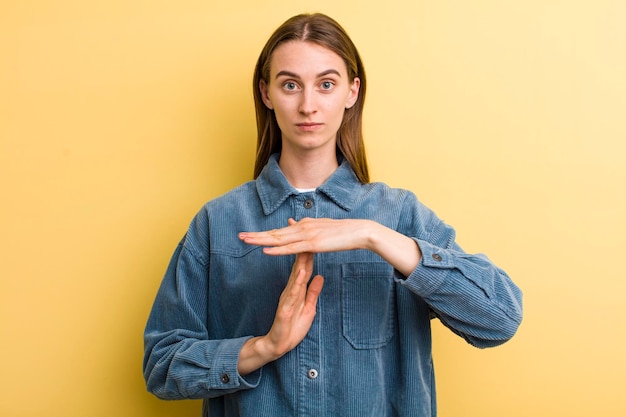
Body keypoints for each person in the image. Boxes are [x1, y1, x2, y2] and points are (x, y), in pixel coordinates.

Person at [143, 13, 523, 417]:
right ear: (267, 93)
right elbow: (162, 366)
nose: (308, 106)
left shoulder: (398, 214)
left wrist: (373, 235)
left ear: (351, 92)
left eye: (326, 84)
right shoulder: (216, 222)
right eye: (290, 85)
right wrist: (263, 347)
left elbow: (499, 318)